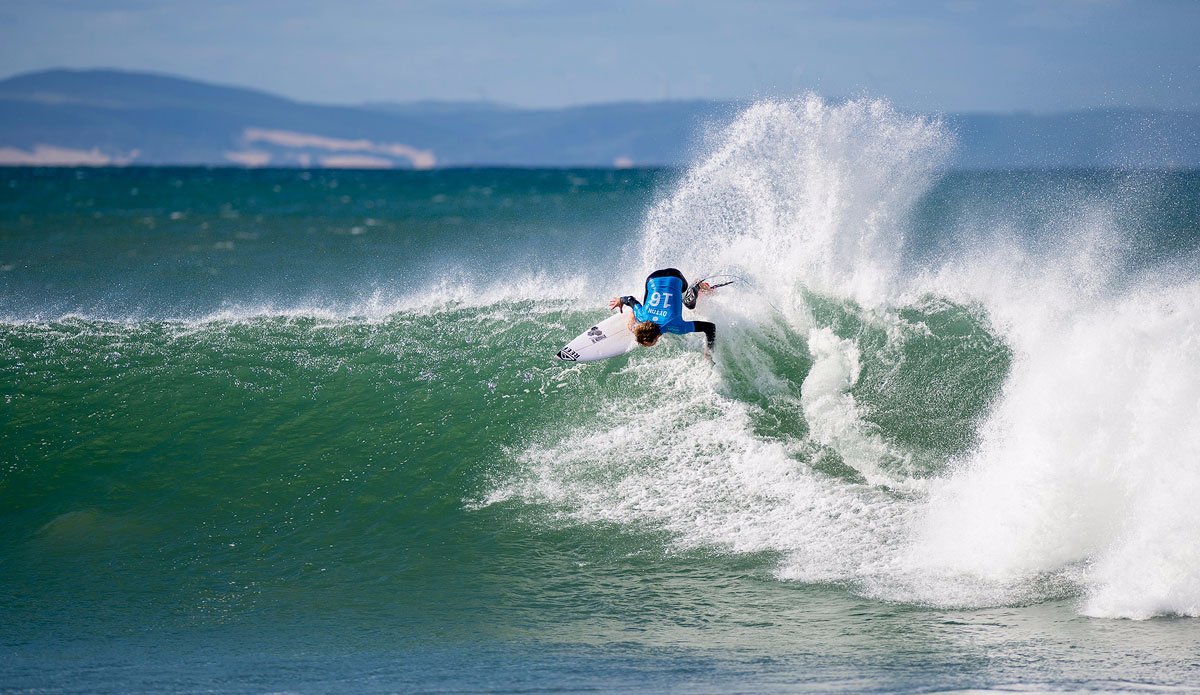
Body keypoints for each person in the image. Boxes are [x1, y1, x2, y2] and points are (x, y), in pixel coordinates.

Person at [608, 268, 716, 358]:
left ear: (655, 338)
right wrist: (619, 300)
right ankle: (633, 312)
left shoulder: (676, 326)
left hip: (676, 276)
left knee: (690, 304)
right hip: (653, 277)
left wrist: (709, 350)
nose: (645, 346)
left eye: (647, 345)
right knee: (644, 305)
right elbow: (629, 299)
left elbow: (710, 327)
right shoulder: (642, 316)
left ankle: (697, 284)